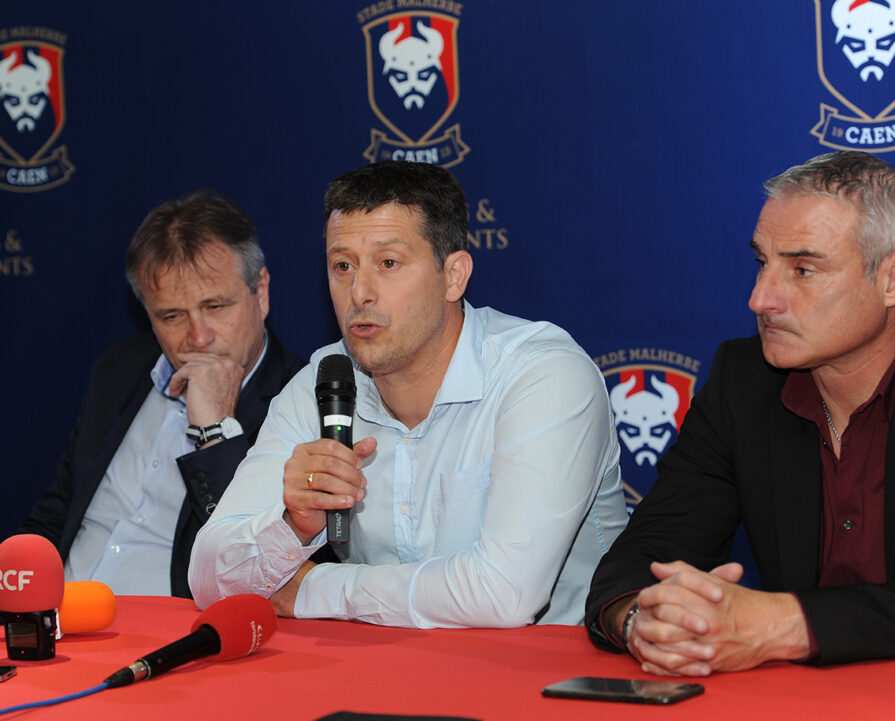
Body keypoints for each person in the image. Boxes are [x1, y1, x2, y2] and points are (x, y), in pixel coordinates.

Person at [586, 150, 895, 674]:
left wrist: (784, 624)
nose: (760, 298)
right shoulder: (742, 382)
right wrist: (647, 622)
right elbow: (641, 558)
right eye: (761, 263)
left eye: (802, 268)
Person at [189, 160, 627, 627]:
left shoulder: (542, 374)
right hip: (390, 678)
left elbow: (504, 593)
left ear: (454, 276)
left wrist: (313, 589)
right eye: (342, 266)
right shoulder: (324, 383)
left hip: (551, 682)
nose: (360, 292)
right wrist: (292, 527)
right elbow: (209, 580)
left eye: (388, 263)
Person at [17, 190, 304, 598]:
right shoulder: (120, 368)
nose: (198, 337)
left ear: (261, 291)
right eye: (171, 316)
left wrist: (214, 432)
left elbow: (255, 570)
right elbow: (58, 512)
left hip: (168, 644)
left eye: (217, 307)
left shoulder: (300, 399)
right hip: (63, 622)